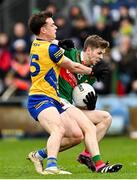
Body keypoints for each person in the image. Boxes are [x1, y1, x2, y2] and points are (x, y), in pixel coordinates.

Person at [27, 10, 115, 175]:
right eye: (99, 53)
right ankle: (96, 164)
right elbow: (71, 65)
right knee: (63, 129)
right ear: (88, 50)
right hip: (49, 98)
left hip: (58, 101)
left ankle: (45, 155)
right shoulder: (64, 52)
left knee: (79, 133)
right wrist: (91, 71)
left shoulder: (39, 45)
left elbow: (46, 44)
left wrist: (90, 104)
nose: (56, 26)